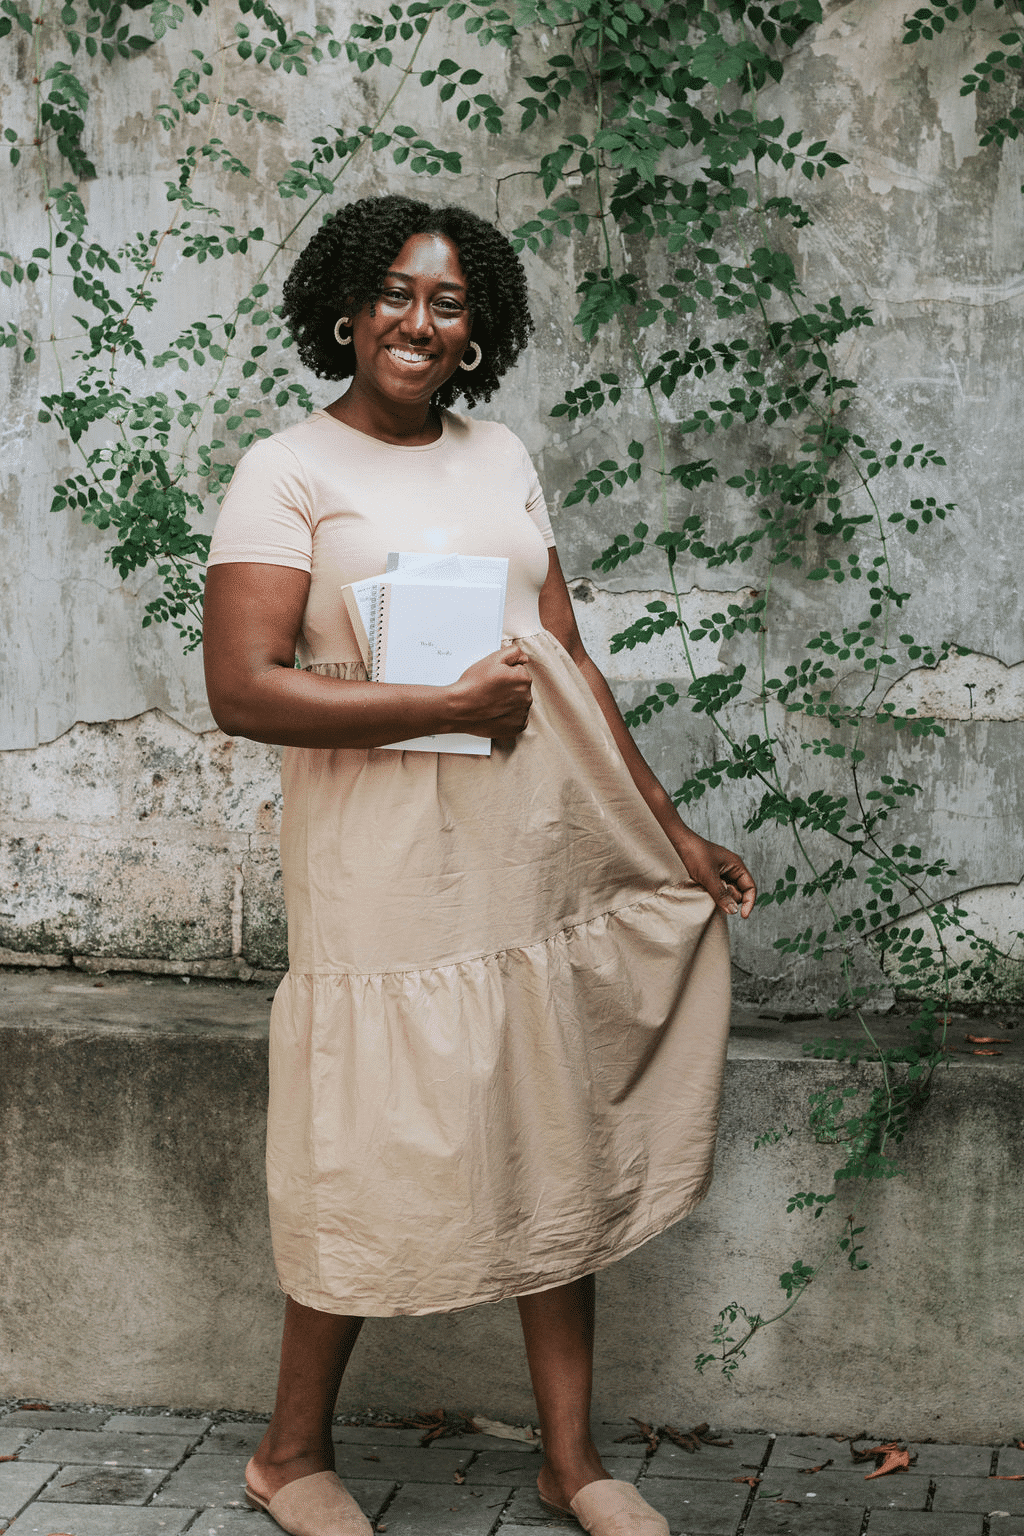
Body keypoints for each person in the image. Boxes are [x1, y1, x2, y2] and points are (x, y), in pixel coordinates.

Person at [202, 193, 756, 1536]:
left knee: (541, 1119)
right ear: (346, 307)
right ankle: (288, 1453)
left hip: (525, 849)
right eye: (396, 292)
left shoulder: (501, 452)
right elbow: (241, 689)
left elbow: (562, 657)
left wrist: (667, 826)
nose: (418, 319)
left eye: (447, 302)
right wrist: (440, 707)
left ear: (477, 330)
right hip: (381, 858)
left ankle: (572, 1462)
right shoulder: (289, 470)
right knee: (366, 1131)